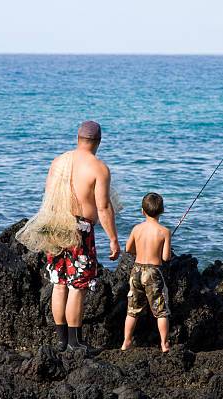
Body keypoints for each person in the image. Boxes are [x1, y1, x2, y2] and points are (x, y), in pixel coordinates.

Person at [16, 121, 120, 351]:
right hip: (80, 230)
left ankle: (61, 341)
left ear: (78, 138)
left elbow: (49, 194)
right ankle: (75, 342)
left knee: (59, 284)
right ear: (98, 142)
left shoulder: (58, 162)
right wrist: (113, 238)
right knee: (77, 286)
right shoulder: (98, 168)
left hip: (54, 225)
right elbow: (103, 207)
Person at [121, 192, 171, 352]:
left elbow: (128, 249)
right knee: (161, 311)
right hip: (153, 272)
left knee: (132, 310)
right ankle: (164, 344)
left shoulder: (137, 229)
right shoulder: (164, 231)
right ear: (162, 211)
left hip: (136, 270)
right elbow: (166, 257)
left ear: (142, 211)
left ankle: (126, 342)